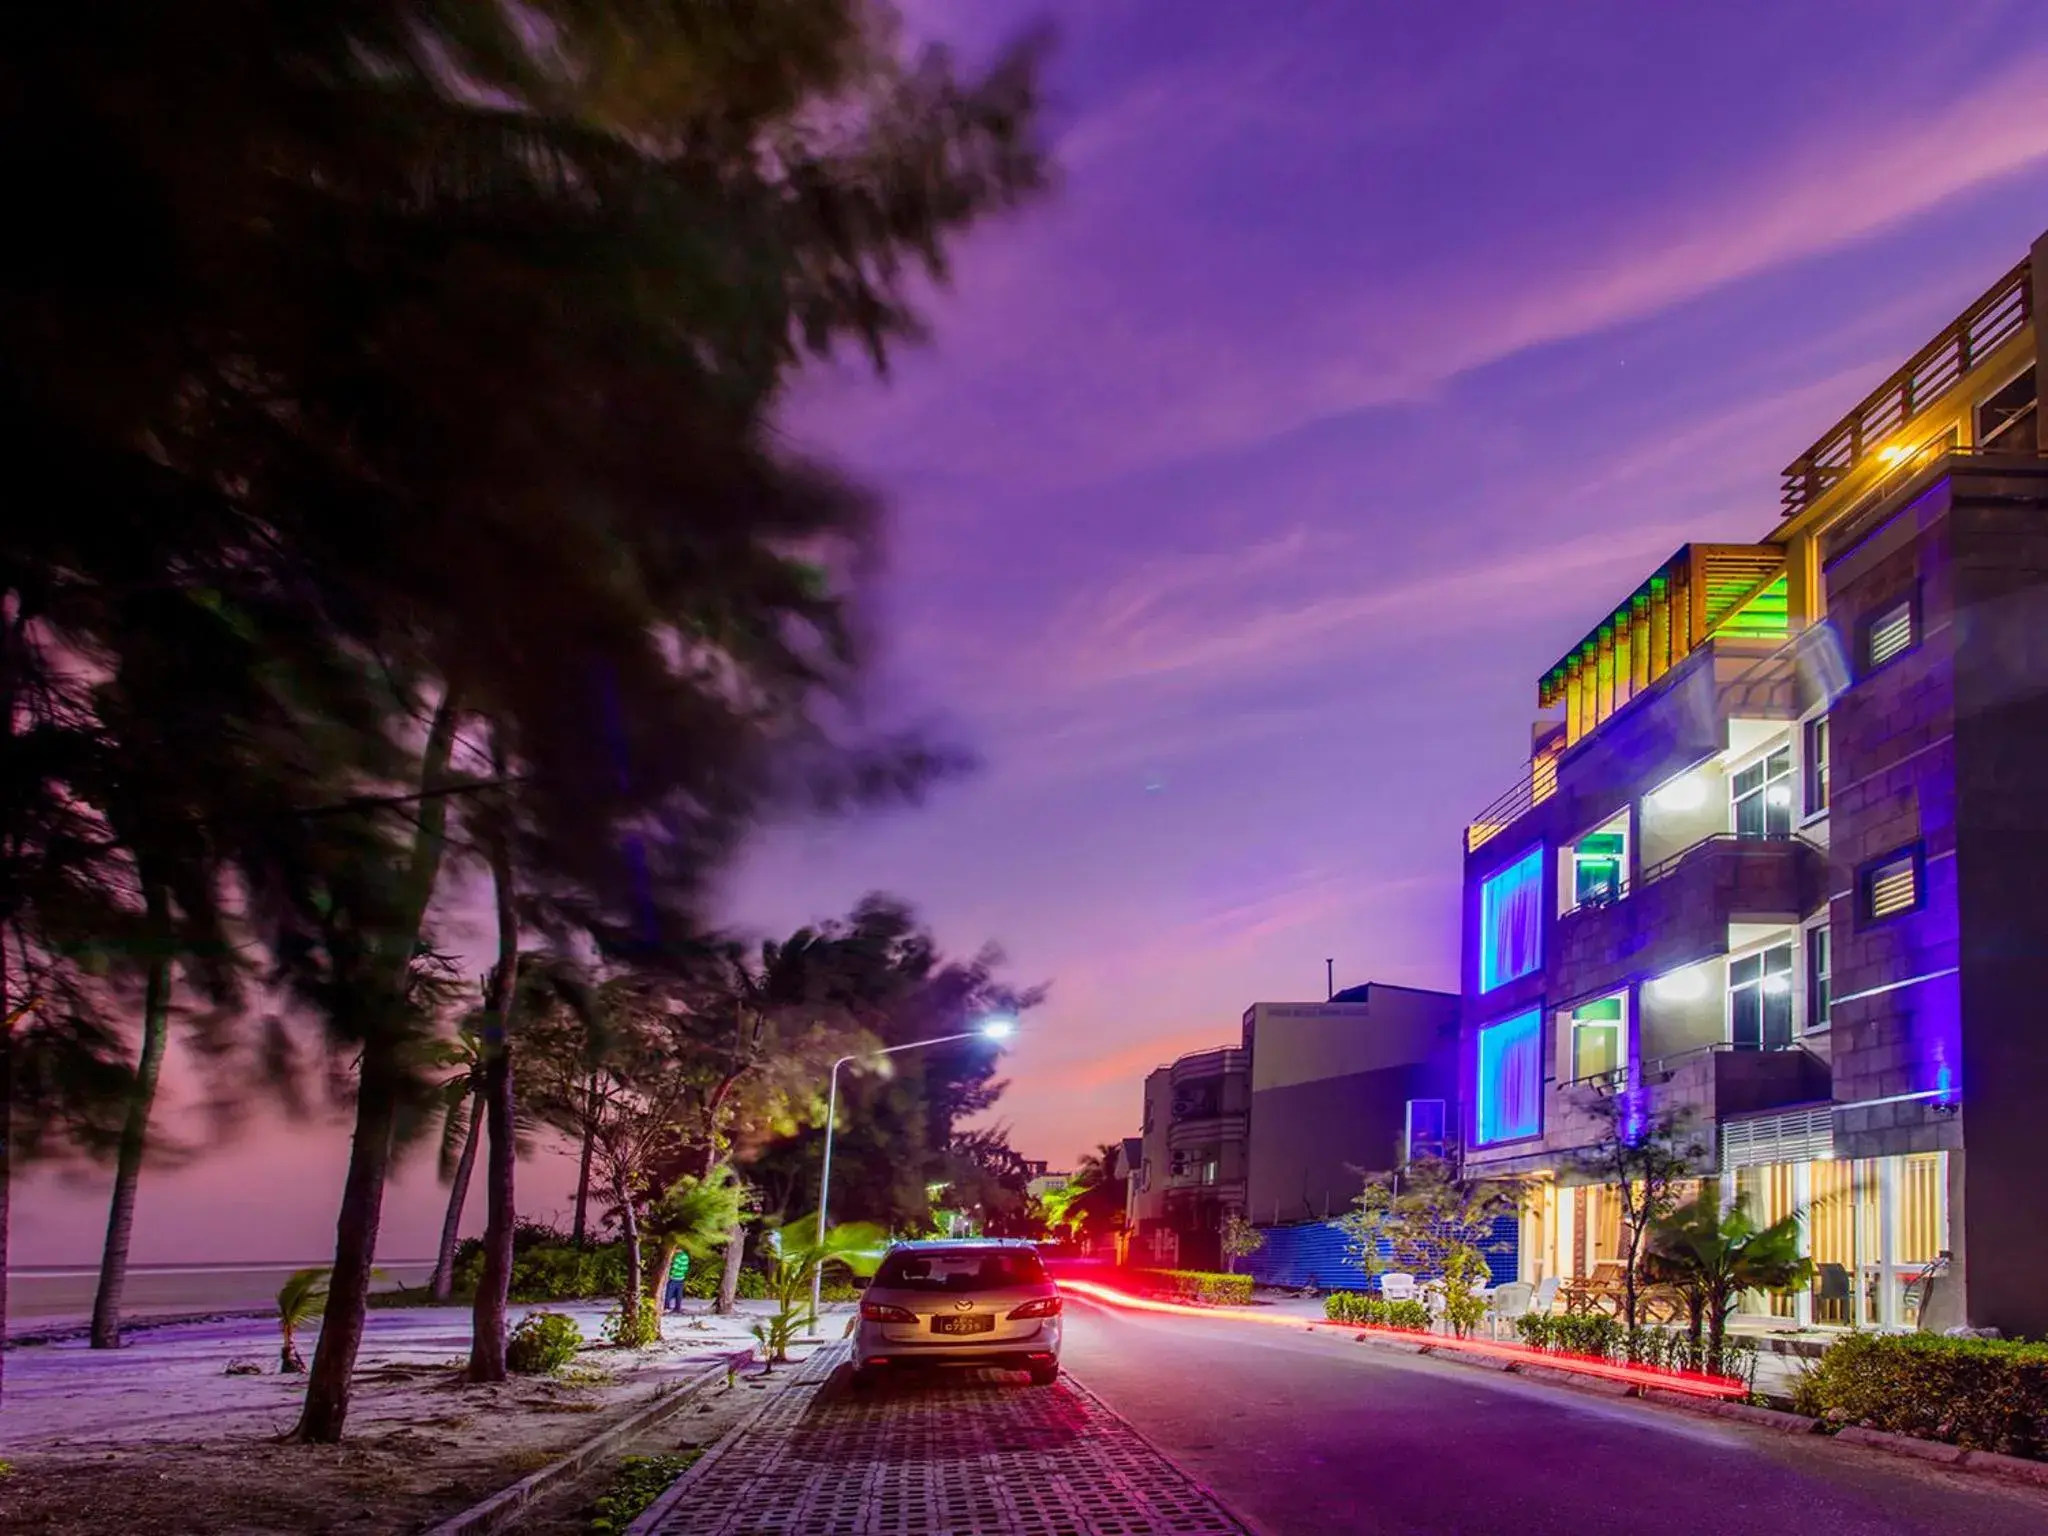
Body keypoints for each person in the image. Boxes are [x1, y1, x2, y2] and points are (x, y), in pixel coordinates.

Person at [663, 1248, 690, 1313]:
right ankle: (678, 1307)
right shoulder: (686, 1256)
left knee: (669, 1293)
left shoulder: (677, 1257)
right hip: (681, 1277)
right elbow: (686, 1268)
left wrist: (670, 1273)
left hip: (674, 1277)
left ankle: (666, 1307)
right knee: (679, 1294)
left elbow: (675, 1267)